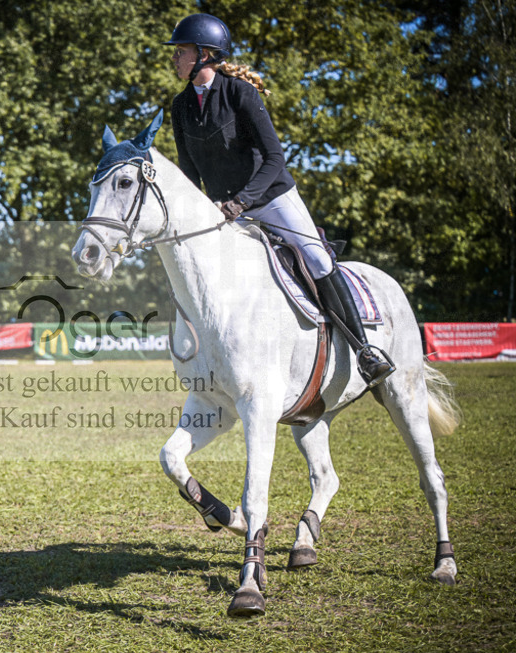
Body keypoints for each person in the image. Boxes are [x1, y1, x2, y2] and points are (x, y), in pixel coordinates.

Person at [164, 13, 394, 388]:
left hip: (271, 198)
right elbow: (190, 176)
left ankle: (365, 351)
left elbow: (275, 158)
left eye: (181, 51)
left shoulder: (241, 93)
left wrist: (242, 201)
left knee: (317, 258)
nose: (174, 58)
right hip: (224, 211)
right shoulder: (180, 106)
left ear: (205, 55)